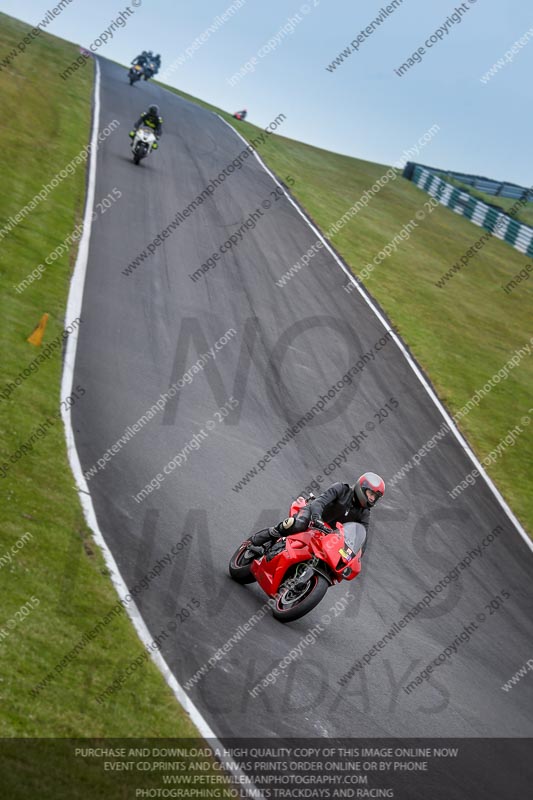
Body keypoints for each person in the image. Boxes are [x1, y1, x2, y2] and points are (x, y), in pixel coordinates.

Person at [247, 472, 385, 555]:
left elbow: (363, 537)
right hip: (314, 515)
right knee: (297, 524)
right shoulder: (341, 489)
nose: (372, 498)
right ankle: (260, 539)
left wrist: (357, 556)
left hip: (329, 535)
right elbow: (319, 502)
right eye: (371, 493)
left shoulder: (365, 513)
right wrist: (316, 518)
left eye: (375, 497)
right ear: (362, 487)